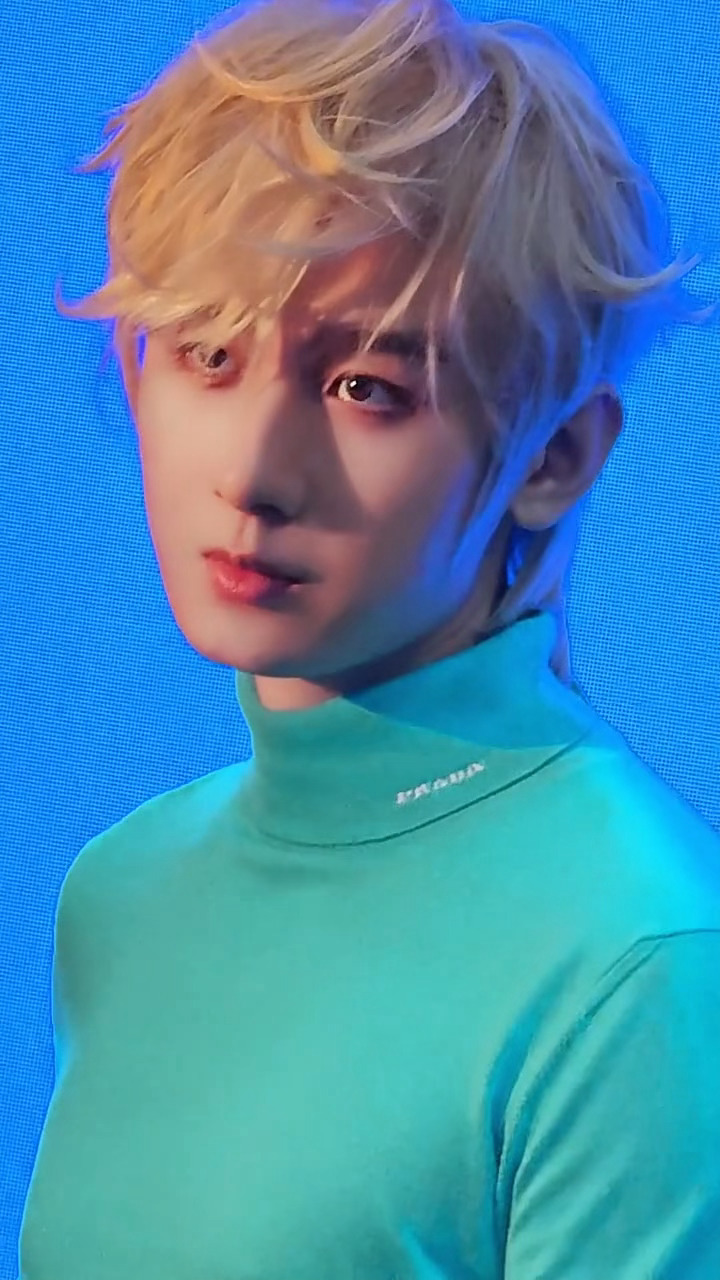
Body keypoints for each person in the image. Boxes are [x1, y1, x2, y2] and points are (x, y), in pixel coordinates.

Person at [20, 0, 720, 1276]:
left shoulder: (643, 961)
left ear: (556, 455)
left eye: (366, 388)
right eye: (209, 350)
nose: (253, 470)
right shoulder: (121, 894)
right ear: (134, 368)